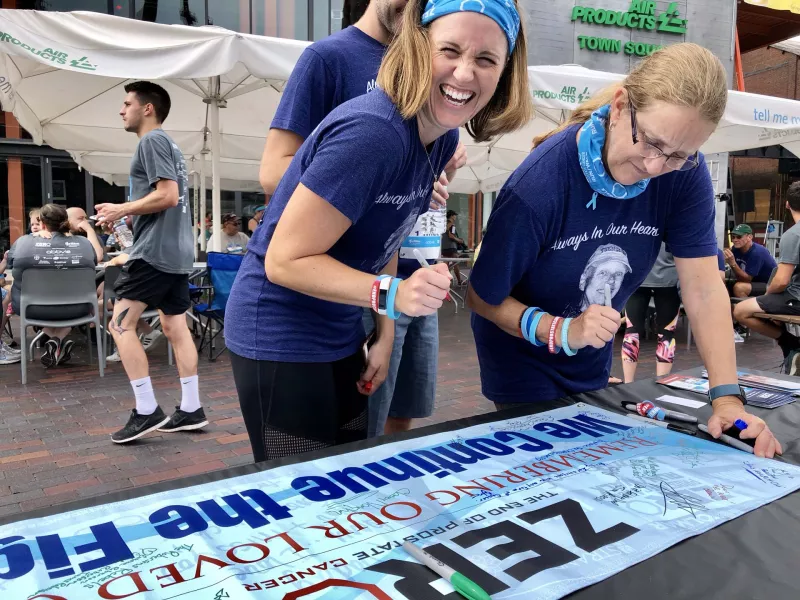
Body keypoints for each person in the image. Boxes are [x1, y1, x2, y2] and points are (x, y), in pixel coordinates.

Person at [226, 0, 532, 461]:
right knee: (303, 498)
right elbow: (284, 260)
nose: (465, 74)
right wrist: (392, 295)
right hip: (278, 330)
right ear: (417, 45)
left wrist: (385, 333)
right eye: (449, 50)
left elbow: (386, 236)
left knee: (343, 475)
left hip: (342, 328)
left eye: (485, 59)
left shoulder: (441, 136)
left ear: (505, 72)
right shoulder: (374, 132)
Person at [468, 43, 781, 458]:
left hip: (590, 354)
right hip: (521, 356)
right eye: (651, 142)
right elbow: (480, 295)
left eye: (677, 155)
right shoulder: (541, 183)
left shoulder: (685, 175)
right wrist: (560, 331)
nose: (655, 166)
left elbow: (704, 289)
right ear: (619, 107)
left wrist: (726, 399)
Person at [258, 0, 467, 440]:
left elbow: (397, 204)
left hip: (410, 271)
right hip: (333, 286)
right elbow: (274, 172)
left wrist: (427, 171)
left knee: (395, 426)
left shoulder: (443, 65)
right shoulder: (330, 57)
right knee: (338, 446)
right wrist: (373, 182)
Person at [95, 81, 207, 444]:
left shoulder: (152, 140)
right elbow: (164, 199)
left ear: (147, 109)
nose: (121, 110)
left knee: (120, 325)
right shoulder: (170, 145)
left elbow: (168, 196)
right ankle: (191, 408)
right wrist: (130, 217)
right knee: (175, 327)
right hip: (175, 253)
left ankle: (147, 410)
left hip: (155, 254)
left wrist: (121, 207)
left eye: (126, 103)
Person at [6, 204, 97, 367]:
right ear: (67, 222)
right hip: (79, 307)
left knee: (28, 293)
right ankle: (58, 341)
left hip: (32, 308)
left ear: (41, 223)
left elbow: (10, 263)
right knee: (69, 296)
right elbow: (95, 259)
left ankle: (55, 340)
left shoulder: (23, 243)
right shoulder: (84, 243)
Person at [734, 181, 800, 368]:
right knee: (768, 306)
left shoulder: (793, 235)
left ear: (787, 204)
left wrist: (768, 294)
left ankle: (790, 343)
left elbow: (781, 281)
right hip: (793, 297)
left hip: (796, 298)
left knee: (741, 310)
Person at [621, 242, 681, 382]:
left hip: (655, 279)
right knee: (663, 334)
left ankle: (631, 383)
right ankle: (657, 382)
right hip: (654, 278)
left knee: (634, 332)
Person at [724, 224, 777, 298]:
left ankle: (748, 308)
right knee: (723, 283)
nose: (734, 240)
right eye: (733, 237)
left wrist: (733, 263)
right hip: (754, 282)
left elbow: (747, 279)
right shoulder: (735, 249)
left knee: (739, 288)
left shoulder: (757, 252)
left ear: (749, 237)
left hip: (769, 284)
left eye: (739, 237)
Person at [442, 209, 467, 285]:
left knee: (446, 267)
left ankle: (445, 282)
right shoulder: (452, 225)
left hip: (444, 248)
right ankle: (459, 281)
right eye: (455, 215)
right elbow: (451, 236)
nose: (455, 217)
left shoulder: (443, 224)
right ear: (452, 216)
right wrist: (460, 241)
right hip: (452, 248)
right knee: (455, 264)